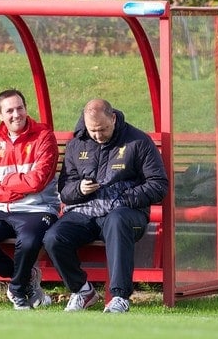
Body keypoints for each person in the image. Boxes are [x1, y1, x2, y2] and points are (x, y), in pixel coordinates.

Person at [43, 99, 168, 313]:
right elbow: (65, 189)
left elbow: (159, 184)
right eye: (93, 131)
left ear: (113, 118)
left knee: (117, 222)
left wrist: (126, 197)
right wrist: (80, 189)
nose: (98, 135)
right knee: (53, 238)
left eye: (103, 129)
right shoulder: (76, 144)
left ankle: (120, 297)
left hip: (126, 212)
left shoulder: (138, 141)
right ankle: (82, 291)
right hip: (85, 211)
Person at [0, 89, 60, 310]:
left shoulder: (44, 136)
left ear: (26, 108)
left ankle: (16, 290)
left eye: (20, 108)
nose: (16, 114)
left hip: (37, 208)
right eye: (10, 110)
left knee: (28, 241)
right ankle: (25, 278)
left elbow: (37, 181)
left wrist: (4, 181)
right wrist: (17, 187)